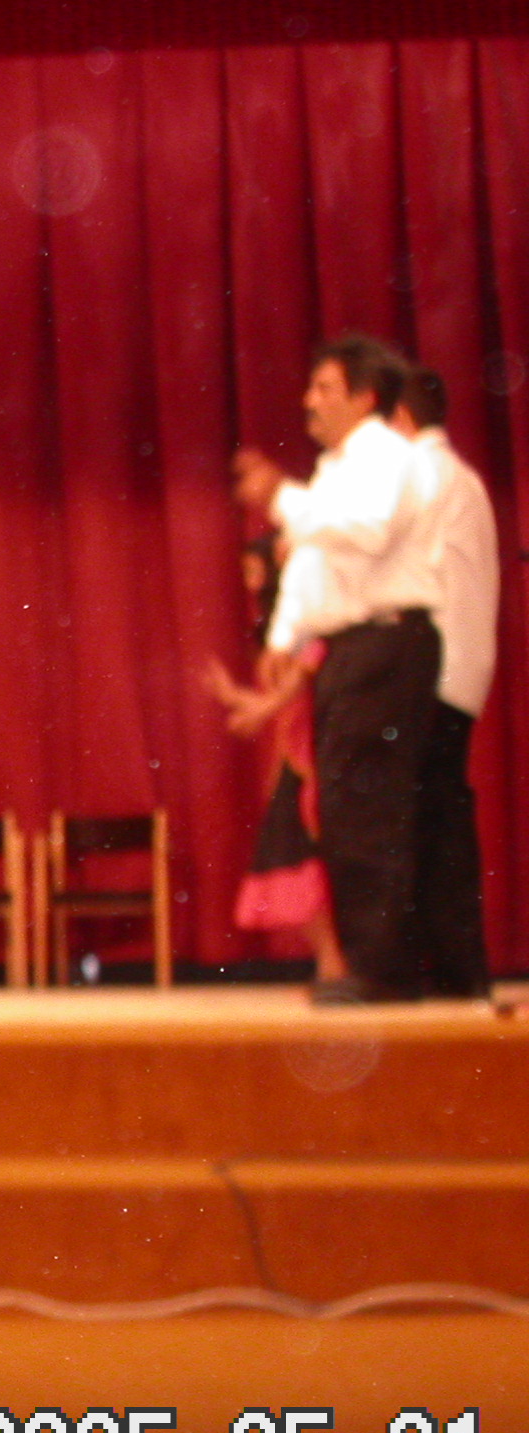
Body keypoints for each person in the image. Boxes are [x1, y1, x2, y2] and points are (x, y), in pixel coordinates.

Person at [234, 334, 442, 1002]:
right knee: (346, 810)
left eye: (324, 388)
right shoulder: (335, 468)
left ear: (365, 396)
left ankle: (383, 972)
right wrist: (286, 636)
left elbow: (366, 530)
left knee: (369, 808)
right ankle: (368, 966)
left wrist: (282, 496)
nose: (309, 401)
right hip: (352, 648)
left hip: (386, 643)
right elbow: (311, 559)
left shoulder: (386, 456)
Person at [392, 365, 499, 1000]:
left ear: (400, 418)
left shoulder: (419, 474)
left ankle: (445, 966)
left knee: (423, 821)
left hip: (429, 668)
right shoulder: (464, 478)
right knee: (440, 814)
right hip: (462, 667)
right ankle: (456, 966)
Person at [200, 534, 345, 984]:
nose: (248, 581)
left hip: (319, 749)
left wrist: (260, 709)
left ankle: (335, 962)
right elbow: (281, 699)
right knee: (294, 853)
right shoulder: (280, 624)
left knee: (307, 853)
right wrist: (237, 698)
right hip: (296, 750)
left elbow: (301, 680)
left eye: (253, 569)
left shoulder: (308, 616)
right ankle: (330, 961)